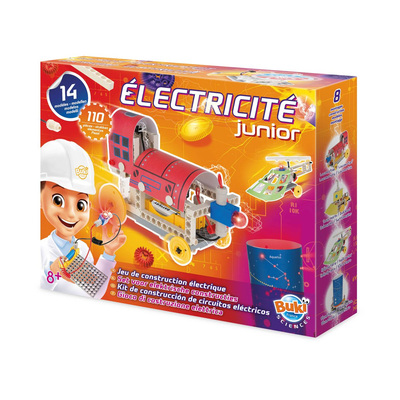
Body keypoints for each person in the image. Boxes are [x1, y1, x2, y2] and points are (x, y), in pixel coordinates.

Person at [40, 139, 126, 299]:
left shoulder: (83, 249)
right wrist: (52, 271)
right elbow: (37, 287)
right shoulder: (40, 249)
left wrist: (108, 253)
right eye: (58, 200)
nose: (71, 214)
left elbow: (95, 291)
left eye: (80, 205)